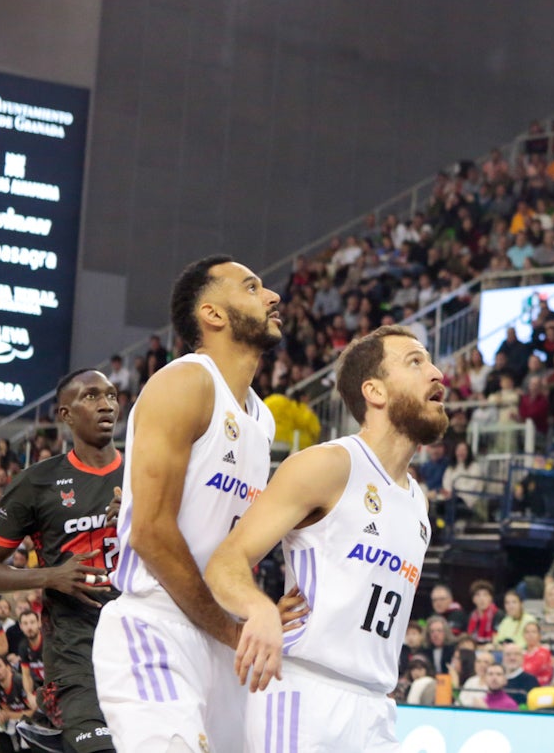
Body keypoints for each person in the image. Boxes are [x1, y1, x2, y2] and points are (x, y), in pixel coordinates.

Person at [204, 325, 448, 751]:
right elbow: (226, 561)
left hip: (376, 707)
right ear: (375, 391)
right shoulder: (328, 466)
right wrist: (258, 609)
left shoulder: (419, 504)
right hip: (304, 694)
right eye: (415, 362)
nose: (437, 373)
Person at [92, 257, 285, 753]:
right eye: (251, 287)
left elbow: (235, 545)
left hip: (221, 639)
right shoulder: (186, 383)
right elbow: (151, 533)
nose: (272, 297)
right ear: (213, 314)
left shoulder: (262, 421)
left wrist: (257, 610)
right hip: (159, 623)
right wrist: (228, 625)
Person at [0, 370, 122, 753]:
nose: (106, 403)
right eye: (92, 396)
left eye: (112, 395)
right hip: (73, 644)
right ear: (65, 415)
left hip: (139, 635)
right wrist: (51, 576)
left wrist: (140, 518)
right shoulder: (36, 482)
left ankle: (48, 733)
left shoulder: (144, 475)